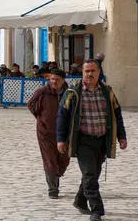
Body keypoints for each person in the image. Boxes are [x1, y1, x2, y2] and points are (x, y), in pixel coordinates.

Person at [57, 59, 127, 220]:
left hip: (102, 140)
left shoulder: (107, 92)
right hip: (82, 140)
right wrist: (61, 139)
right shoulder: (72, 92)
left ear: (98, 72)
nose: (89, 74)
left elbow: (117, 115)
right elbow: (62, 117)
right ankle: (96, 210)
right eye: (86, 71)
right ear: (82, 73)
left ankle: (80, 200)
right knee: (89, 174)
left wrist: (121, 137)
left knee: (93, 174)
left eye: (92, 71)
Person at [28, 69, 70, 199]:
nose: (54, 82)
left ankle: (56, 175)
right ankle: (53, 189)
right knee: (50, 161)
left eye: (57, 79)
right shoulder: (42, 92)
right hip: (45, 133)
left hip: (64, 133)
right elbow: (30, 104)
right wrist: (41, 119)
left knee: (64, 159)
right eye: (52, 79)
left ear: (63, 80)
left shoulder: (69, 93)